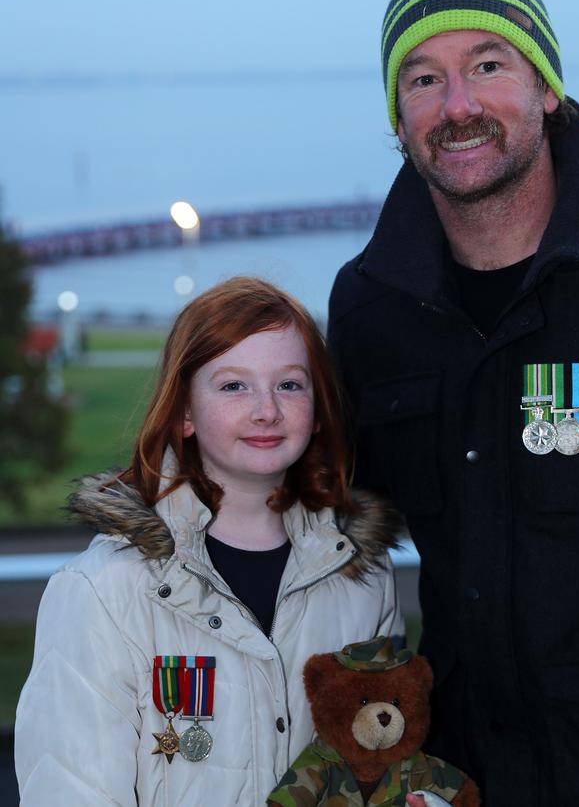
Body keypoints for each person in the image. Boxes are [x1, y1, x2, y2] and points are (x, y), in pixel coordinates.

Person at [328, 0, 579, 806]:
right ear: (397, 119)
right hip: (462, 779)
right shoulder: (367, 307)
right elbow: (314, 524)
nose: (457, 105)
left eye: (487, 64)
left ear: (547, 87)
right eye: (423, 79)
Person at [15, 276, 404, 806]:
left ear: (318, 411)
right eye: (232, 386)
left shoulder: (363, 577)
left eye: (290, 384)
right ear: (184, 412)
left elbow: (380, 768)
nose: (266, 409)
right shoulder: (103, 592)